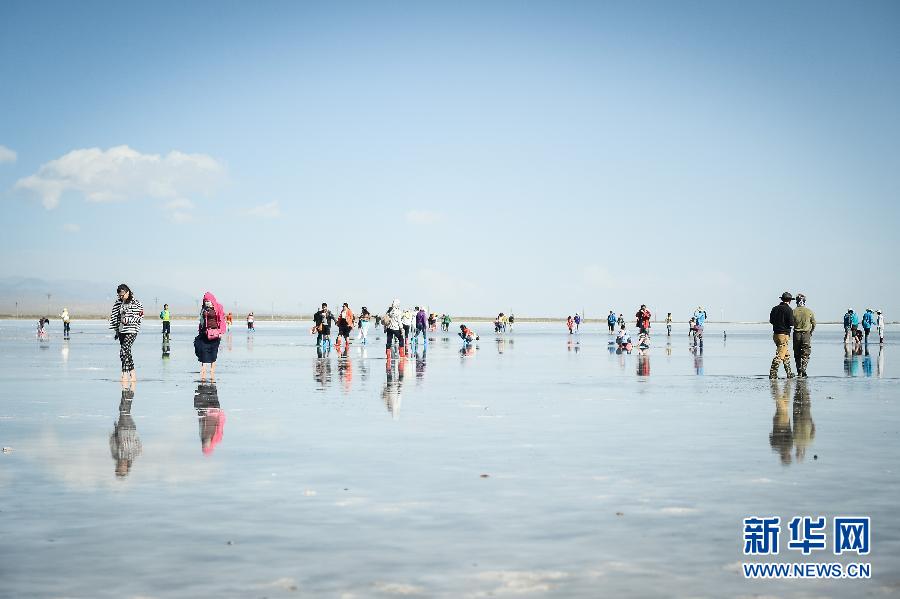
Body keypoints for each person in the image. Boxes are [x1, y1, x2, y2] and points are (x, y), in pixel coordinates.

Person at [109, 284, 144, 383]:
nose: (121, 297)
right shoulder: (118, 303)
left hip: (132, 330)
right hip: (121, 331)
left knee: (123, 350)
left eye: (122, 295)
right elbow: (115, 316)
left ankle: (124, 374)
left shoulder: (136, 303)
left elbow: (140, 315)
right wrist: (116, 330)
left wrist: (128, 320)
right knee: (126, 352)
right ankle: (132, 372)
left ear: (127, 292)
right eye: (119, 295)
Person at [194, 291, 225, 381]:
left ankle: (212, 370)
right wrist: (200, 330)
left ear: (212, 300)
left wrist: (221, 331)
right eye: (205, 301)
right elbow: (201, 320)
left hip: (215, 333)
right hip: (204, 333)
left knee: (213, 351)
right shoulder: (204, 309)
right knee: (202, 350)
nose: (207, 302)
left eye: (208, 301)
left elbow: (222, 319)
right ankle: (203, 369)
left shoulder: (218, 307)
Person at [769, 291, 795, 379]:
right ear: (790, 300)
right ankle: (773, 373)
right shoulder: (789, 310)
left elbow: (771, 321)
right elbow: (791, 323)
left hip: (775, 335)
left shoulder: (774, 308)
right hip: (784, 335)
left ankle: (789, 373)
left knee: (786, 354)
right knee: (780, 355)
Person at [792, 293, 816, 378]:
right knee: (806, 353)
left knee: (797, 353)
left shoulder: (793, 311)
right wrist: (811, 332)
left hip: (796, 335)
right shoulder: (809, 311)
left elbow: (791, 323)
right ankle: (803, 369)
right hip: (806, 334)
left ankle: (799, 371)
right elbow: (814, 323)